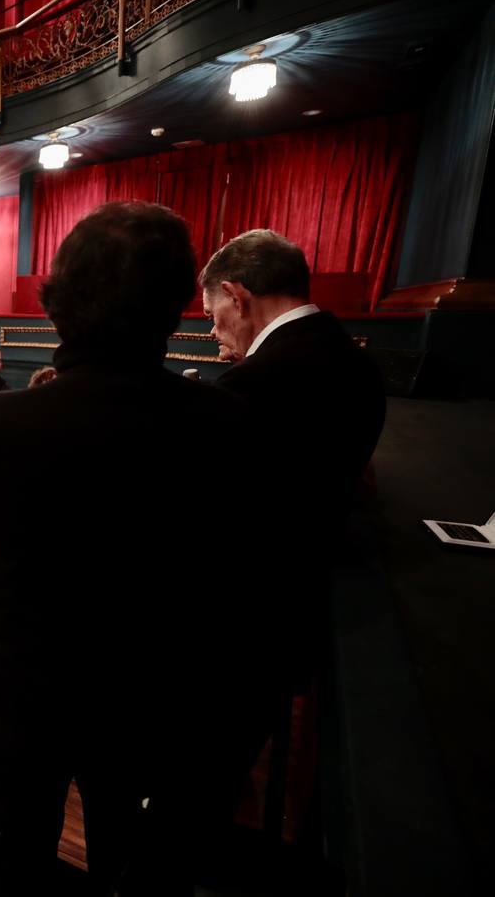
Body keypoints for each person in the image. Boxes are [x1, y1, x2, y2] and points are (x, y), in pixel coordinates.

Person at [0, 201, 283, 891]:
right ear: (178, 306)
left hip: (23, 683)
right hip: (149, 684)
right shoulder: (224, 422)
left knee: (16, 847)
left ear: (57, 303)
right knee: (124, 846)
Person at [201, 228, 385, 686]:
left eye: (211, 313)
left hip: (255, 621)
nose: (210, 328)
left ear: (234, 295)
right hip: (316, 593)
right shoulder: (352, 356)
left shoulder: (254, 385)